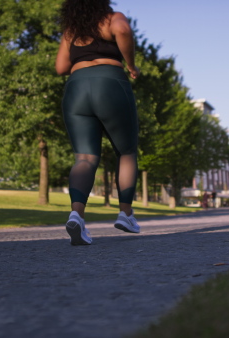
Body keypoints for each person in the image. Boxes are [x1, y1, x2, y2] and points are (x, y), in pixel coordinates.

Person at [56, 0, 141, 246]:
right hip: (110, 84)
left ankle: (77, 216)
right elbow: (123, 31)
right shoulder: (112, 18)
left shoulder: (71, 31)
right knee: (126, 151)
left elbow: (61, 67)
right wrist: (131, 64)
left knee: (84, 158)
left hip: (76, 89)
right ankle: (125, 214)